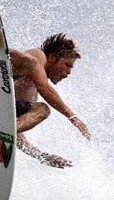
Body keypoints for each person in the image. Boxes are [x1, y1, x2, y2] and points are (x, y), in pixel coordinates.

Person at [7, 33, 91, 169]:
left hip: (1, 108)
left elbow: (18, 138)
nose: (69, 72)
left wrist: (42, 157)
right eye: (67, 65)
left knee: (42, 109)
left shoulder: (31, 96)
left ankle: (6, 126)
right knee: (30, 61)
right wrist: (73, 118)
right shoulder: (38, 55)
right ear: (52, 58)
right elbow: (44, 87)